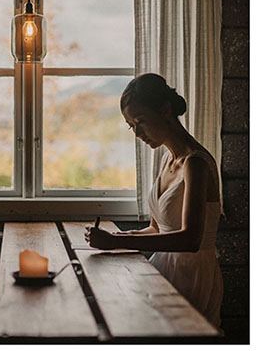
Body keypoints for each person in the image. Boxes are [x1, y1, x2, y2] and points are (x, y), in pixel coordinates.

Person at [85, 73, 223, 328]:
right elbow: (156, 228)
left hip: (191, 274)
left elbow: (191, 239)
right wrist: (116, 238)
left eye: (140, 122)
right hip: (163, 267)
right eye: (131, 125)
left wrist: (115, 242)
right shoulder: (166, 160)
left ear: (165, 110)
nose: (137, 133)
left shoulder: (196, 163)